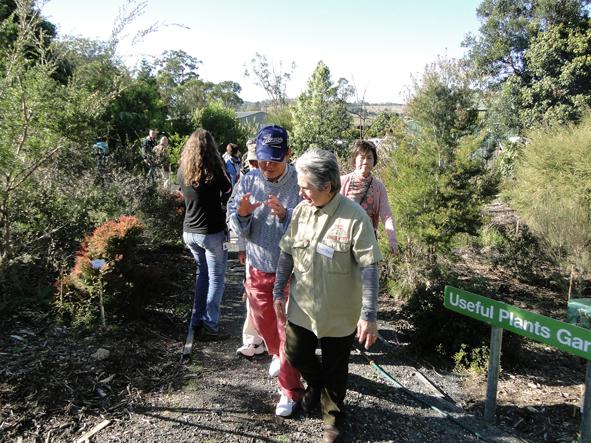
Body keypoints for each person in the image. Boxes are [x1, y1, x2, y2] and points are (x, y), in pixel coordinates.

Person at [273, 149, 382, 443]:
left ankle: (333, 419)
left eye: (305, 186)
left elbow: (370, 265)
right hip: (302, 306)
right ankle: (316, 383)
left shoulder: (354, 217)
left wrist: (369, 315)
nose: (300, 191)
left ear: (327, 186)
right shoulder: (300, 211)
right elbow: (286, 252)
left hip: (339, 310)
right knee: (295, 353)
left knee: (336, 367)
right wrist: (278, 290)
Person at [227, 125, 304, 417]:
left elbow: (310, 226)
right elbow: (233, 221)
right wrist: (242, 216)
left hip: (290, 271)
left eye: (274, 159)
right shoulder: (248, 180)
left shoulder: (300, 182)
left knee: (287, 332)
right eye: (262, 159)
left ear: (288, 154)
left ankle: (290, 391)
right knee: (266, 326)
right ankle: (277, 354)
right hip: (258, 267)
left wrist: (285, 216)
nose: (267, 166)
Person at [178, 129, 232, 339]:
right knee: (216, 279)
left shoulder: (182, 171)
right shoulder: (215, 171)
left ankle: (196, 320)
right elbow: (229, 190)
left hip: (189, 231)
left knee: (202, 276)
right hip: (210, 232)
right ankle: (210, 326)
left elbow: (183, 194)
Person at [234, 139, 266, 357]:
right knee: (253, 296)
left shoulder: (287, 181)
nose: (257, 167)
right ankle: (252, 340)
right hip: (254, 250)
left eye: (260, 161)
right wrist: (240, 246)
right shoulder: (245, 180)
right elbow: (235, 213)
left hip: (278, 254)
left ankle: (275, 345)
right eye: (253, 162)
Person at [340, 139, 398, 254]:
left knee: (369, 272)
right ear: (354, 160)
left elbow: (386, 216)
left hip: (368, 240)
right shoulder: (342, 182)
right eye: (362, 157)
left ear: (374, 161)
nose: (365, 161)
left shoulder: (378, 187)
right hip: (343, 239)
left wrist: (392, 240)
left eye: (369, 158)